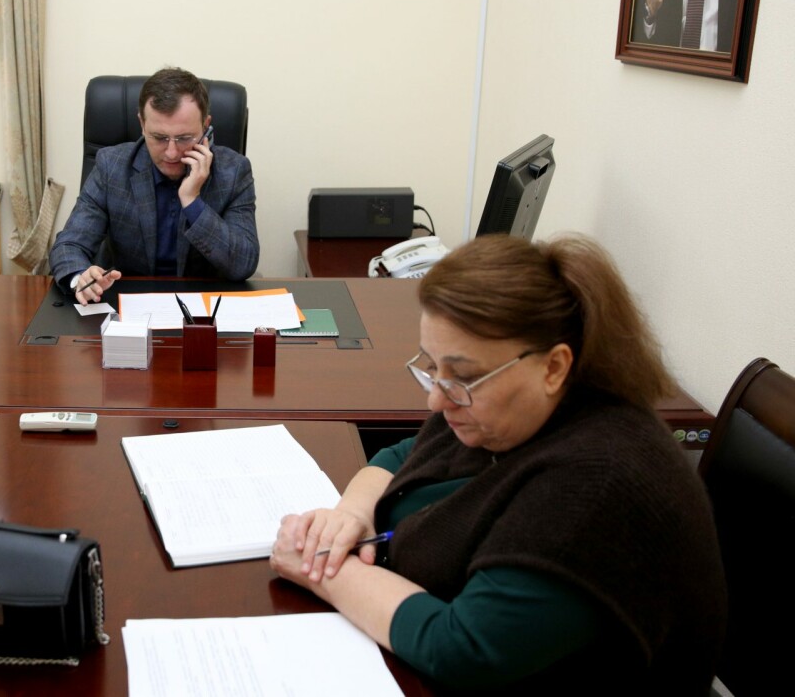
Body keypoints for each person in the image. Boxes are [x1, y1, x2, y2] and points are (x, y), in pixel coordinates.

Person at [270, 234, 726, 693]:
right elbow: (404, 456)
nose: (436, 399)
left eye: (462, 375)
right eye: (432, 367)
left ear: (554, 367)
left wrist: (323, 569)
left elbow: (462, 649)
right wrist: (350, 515)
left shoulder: (596, 485)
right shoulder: (505, 408)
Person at [49, 67, 259, 305]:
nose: (171, 152)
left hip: (204, 308)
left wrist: (193, 202)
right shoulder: (111, 166)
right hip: (128, 305)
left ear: (205, 126)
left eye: (184, 138)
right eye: (159, 138)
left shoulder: (234, 172)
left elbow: (243, 264)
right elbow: (69, 246)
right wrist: (81, 278)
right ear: (142, 124)